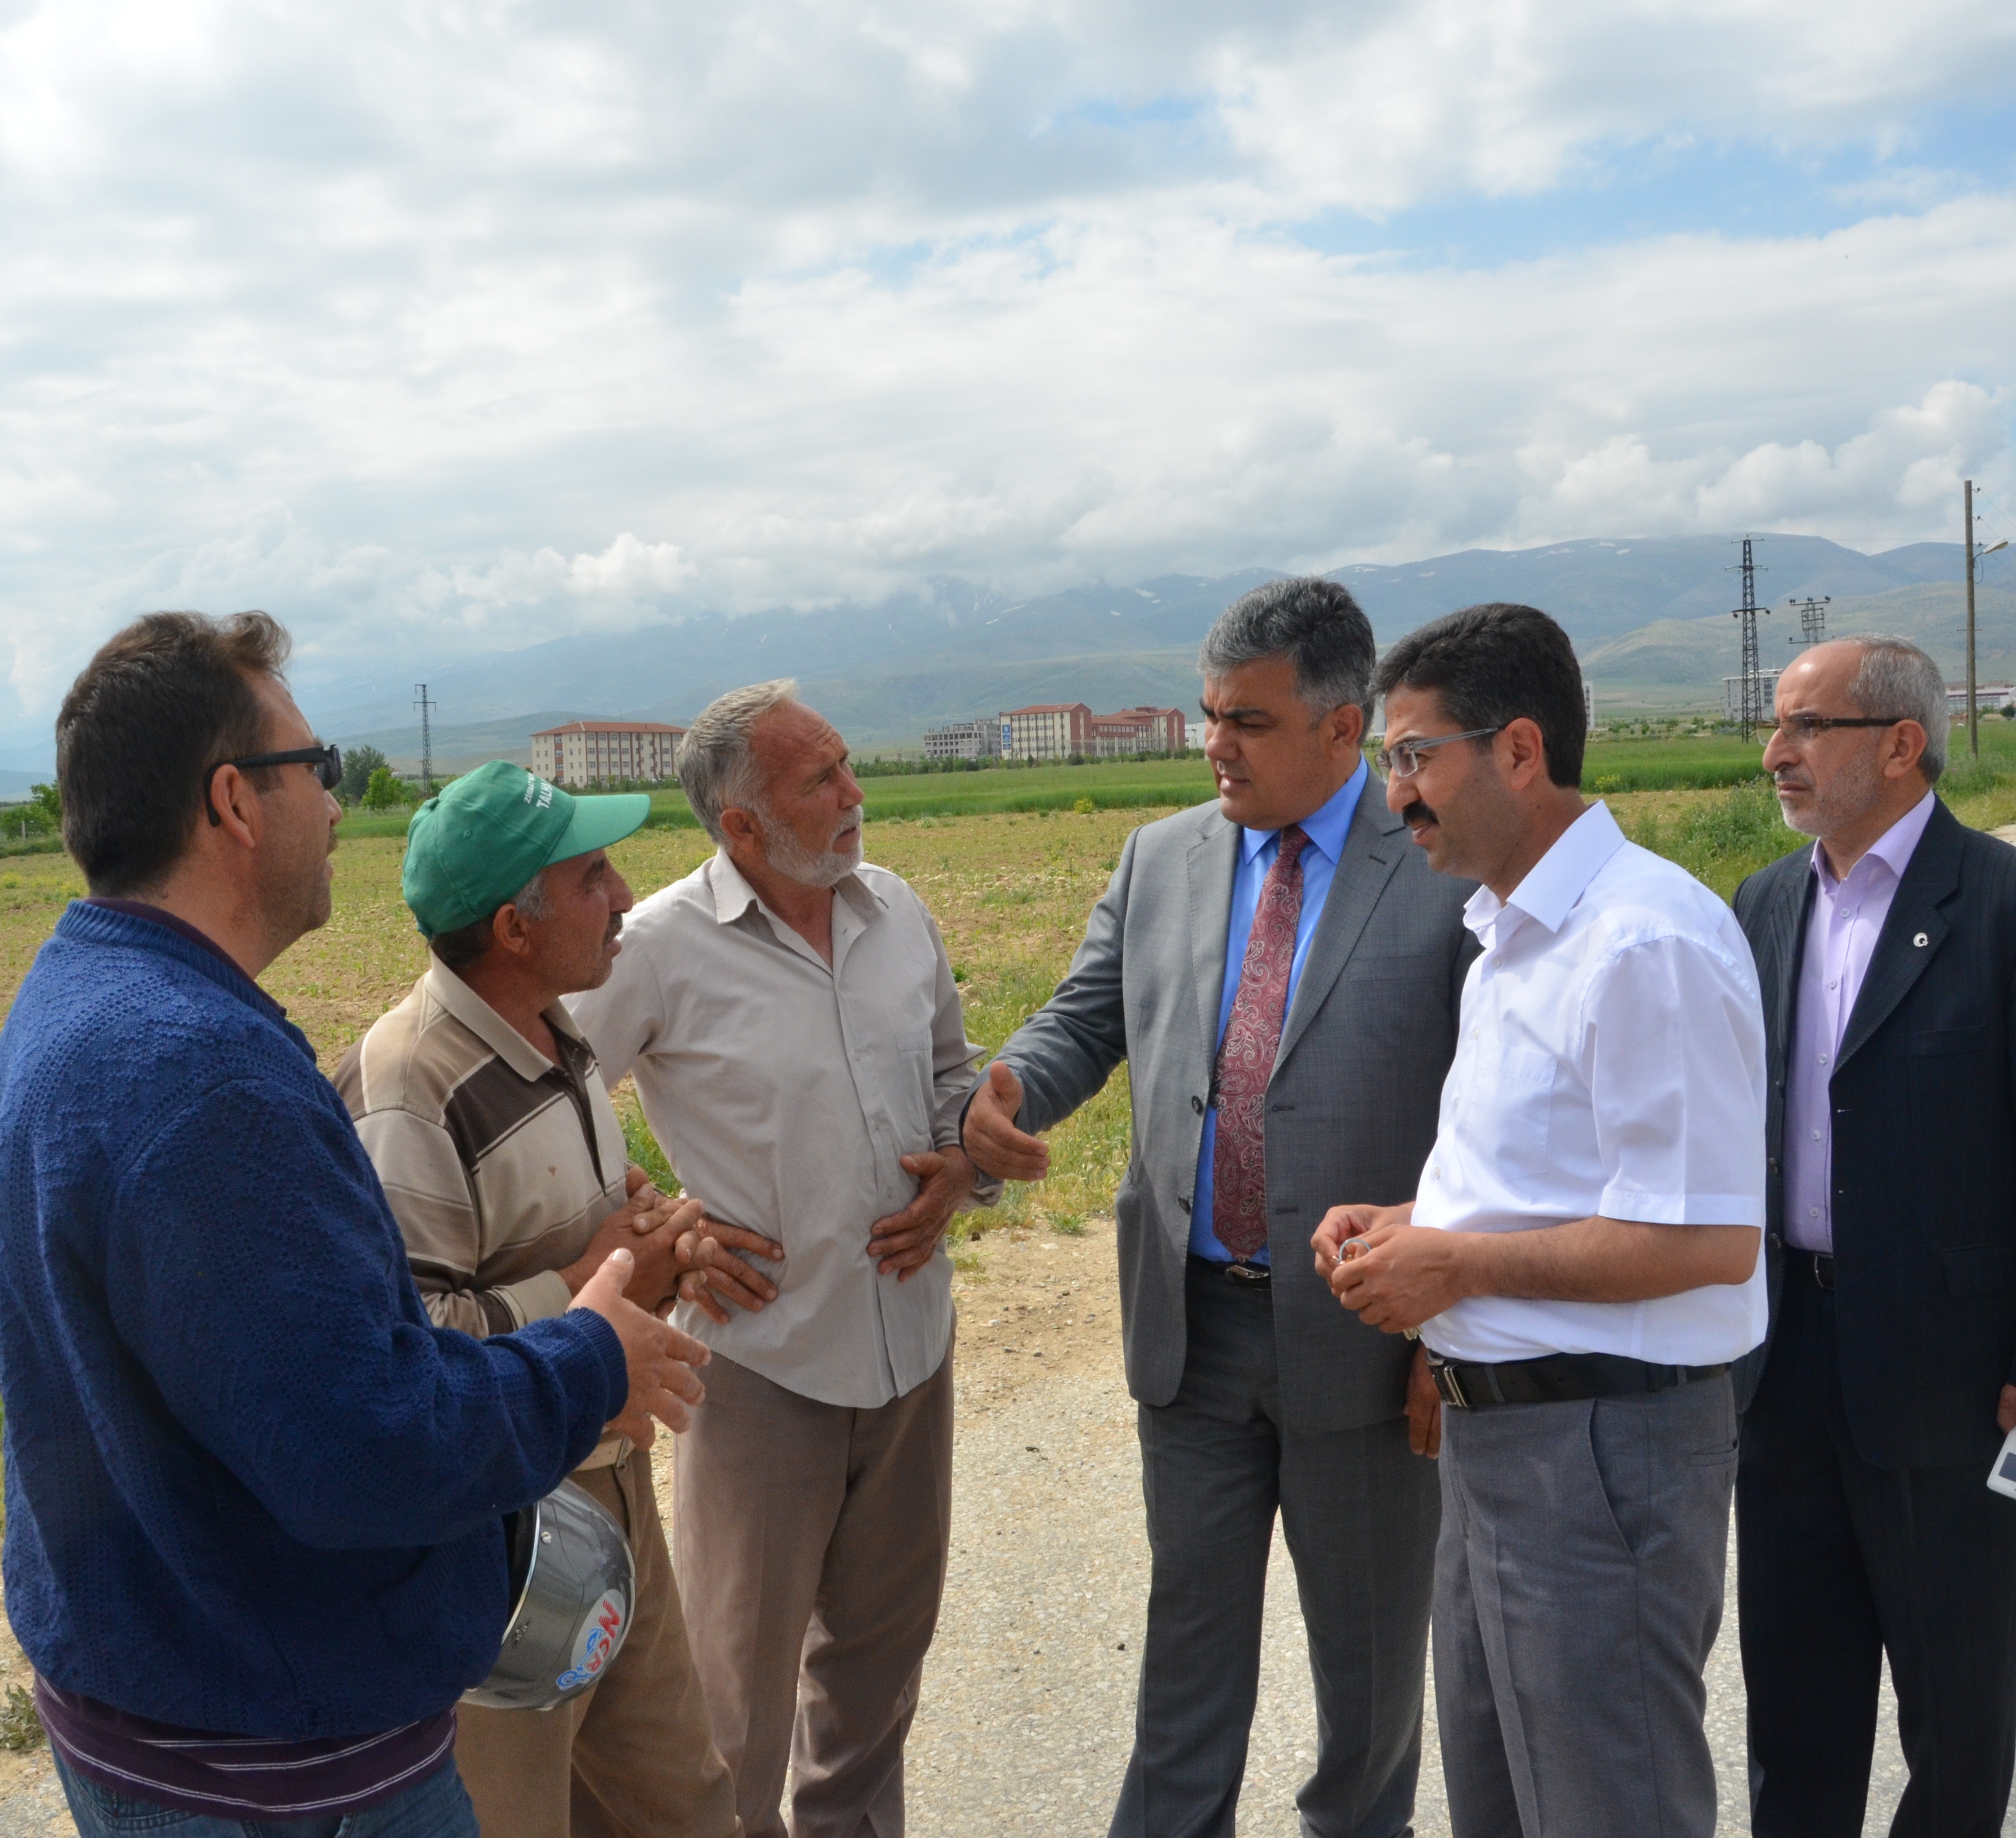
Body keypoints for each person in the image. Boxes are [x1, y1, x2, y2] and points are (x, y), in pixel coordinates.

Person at [0, 612, 708, 1838]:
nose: (339, 803)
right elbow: (369, 1453)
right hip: (283, 1768)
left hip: (166, 1716)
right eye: (316, 769)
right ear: (234, 805)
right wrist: (589, 1357)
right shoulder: (205, 1076)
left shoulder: (80, 1000)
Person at [960, 578, 1476, 1838]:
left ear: (1342, 729)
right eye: (1208, 716)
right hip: (1190, 1335)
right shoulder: (1164, 857)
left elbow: (1497, 1111)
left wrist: (1449, 1325)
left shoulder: (1440, 865)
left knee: (1367, 1685)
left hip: (1369, 1340)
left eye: (1245, 721)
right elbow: (1090, 1013)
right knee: (1185, 1665)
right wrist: (1012, 1088)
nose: (1214, 747)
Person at [1312, 601, 1766, 1838]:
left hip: (1600, 1454)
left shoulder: (1641, 941)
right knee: (1509, 1811)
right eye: (1387, 763)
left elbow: (1708, 1239)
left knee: (1607, 1808)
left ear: (1517, 750)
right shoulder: (1514, 934)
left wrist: (1450, 1262)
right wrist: (1411, 1222)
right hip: (1505, 1453)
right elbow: (1566, 1182)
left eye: (1412, 758)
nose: (1395, 794)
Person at [566, 680, 989, 1838]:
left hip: (912, 1352)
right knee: (732, 1716)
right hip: (761, 1371)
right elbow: (543, 1108)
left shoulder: (894, 909)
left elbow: (956, 1077)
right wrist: (656, 1235)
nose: (857, 794)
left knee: (873, 1688)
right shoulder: (652, 950)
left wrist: (963, 1165)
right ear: (740, 826)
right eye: (823, 780)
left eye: (848, 763)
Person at [338, 760, 783, 1838]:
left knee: (685, 1804)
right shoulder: (407, 1088)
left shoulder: (557, 1032)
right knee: (518, 1815)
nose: (628, 892)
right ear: (514, 929)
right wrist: (589, 1288)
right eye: (593, 876)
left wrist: (652, 1232)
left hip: (610, 1484)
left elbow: (583, 1221)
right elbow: (406, 1351)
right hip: (498, 1536)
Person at [1731, 635, 2016, 1837]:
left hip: (1953, 1383)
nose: (1775, 753)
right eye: (1776, 725)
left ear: (1899, 746)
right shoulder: (1760, 902)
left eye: (1806, 727)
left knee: (1953, 1725)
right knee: (1791, 1712)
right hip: (1781, 1359)